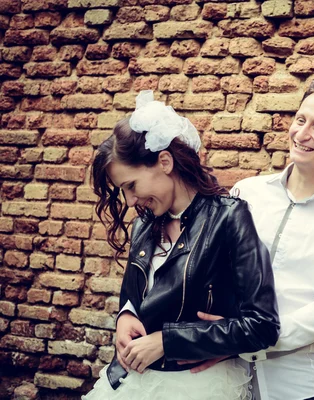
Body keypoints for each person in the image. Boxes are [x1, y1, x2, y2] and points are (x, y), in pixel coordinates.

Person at [192, 77, 314, 399]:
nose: (301, 134)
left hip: (302, 388)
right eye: (300, 119)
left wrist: (246, 337)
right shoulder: (246, 192)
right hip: (225, 380)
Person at [82, 91, 279, 400]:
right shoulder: (144, 224)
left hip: (200, 386)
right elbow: (135, 296)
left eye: (131, 186)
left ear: (164, 161)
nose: (131, 201)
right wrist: (126, 315)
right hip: (133, 382)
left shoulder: (229, 218)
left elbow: (262, 325)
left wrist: (168, 342)